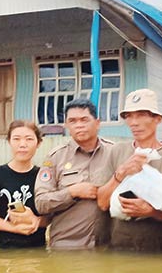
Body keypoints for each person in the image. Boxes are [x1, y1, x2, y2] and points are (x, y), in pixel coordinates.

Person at [96, 88, 162, 252]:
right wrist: (120, 174)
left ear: (157, 119)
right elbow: (103, 204)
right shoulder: (117, 151)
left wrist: (151, 211)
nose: (134, 122)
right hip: (120, 246)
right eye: (129, 116)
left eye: (141, 115)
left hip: (161, 248)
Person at [34, 99, 113, 249]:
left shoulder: (115, 153)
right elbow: (41, 203)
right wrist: (71, 192)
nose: (79, 125)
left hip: (108, 247)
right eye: (72, 121)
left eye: (84, 120)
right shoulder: (56, 157)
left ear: (97, 123)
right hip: (67, 246)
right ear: (66, 125)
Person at [0, 121, 47, 248]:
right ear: (9, 141)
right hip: (2, 250)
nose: (22, 144)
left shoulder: (44, 176)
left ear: (39, 143)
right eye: (16, 139)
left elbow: (52, 216)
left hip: (38, 249)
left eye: (29, 139)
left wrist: (37, 221)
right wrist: (13, 228)